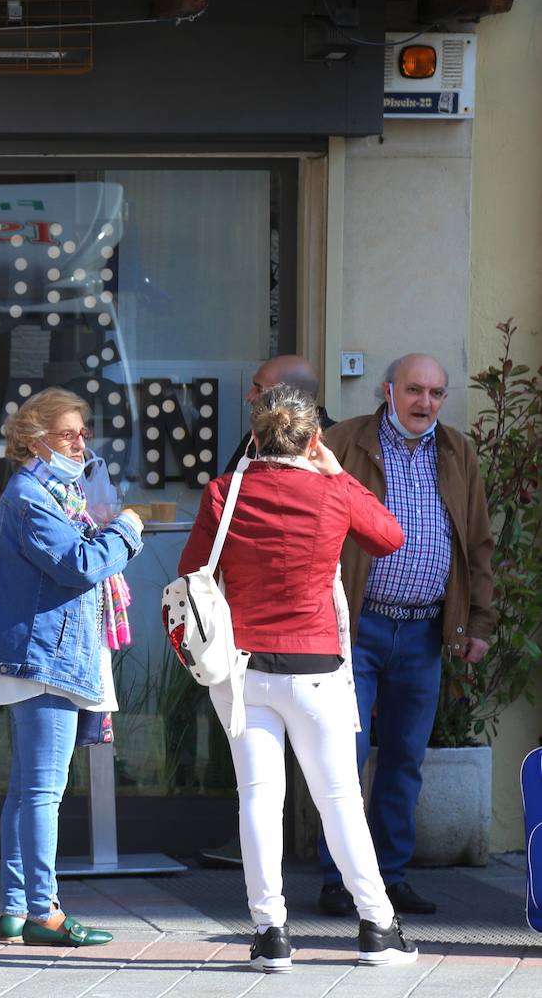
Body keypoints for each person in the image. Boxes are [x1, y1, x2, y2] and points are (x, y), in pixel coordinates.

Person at [179, 384, 416, 971]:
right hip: (316, 667)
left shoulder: (223, 493)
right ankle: (377, 926)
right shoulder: (330, 492)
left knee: (259, 800)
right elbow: (390, 537)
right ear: (314, 439)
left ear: (255, 436)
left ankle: (270, 934)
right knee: (339, 800)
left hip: (242, 669)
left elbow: (191, 576)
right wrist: (337, 475)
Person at [316, 353, 496, 917]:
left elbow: (478, 543)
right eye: (415, 390)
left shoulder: (457, 451)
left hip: (424, 631)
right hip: (357, 626)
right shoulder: (342, 442)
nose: (426, 403)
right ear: (387, 390)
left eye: (437, 393)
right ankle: (339, 880)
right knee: (341, 756)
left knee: (403, 758)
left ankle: (389, 877)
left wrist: (479, 622)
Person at [0, 387, 144, 947]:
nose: (80, 443)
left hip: (42, 651)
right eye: (68, 434)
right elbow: (79, 565)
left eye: (83, 432)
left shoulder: (55, 494)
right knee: (42, 792)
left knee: (26, 791)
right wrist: (127, 531)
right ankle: (43, 912)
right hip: (44, 655)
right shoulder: (30, 496)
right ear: (34, 439)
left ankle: (14, 907)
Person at [224, 354, 335, 474]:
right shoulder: (254, 438)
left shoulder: (340, 441)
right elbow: (229, 487)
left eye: (259, 389)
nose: (249, 396)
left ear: (289, 395)